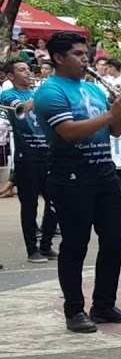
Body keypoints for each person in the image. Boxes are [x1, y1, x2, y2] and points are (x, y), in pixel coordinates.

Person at [33, 31, 121, 333]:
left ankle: (104, 305)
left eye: (86, 53)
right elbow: (69, 132)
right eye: (78, 54)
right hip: (70, 178)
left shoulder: (92, 90)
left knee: (116, 240)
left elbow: (116, 131)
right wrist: (110, 113)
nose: (86, 59)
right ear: (58, 58)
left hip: (104, 175)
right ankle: (74, 310)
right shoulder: (51, 91)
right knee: (75, 245)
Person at [2, 59, 58, 263]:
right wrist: (43, 93)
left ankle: (46, 245)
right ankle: (31, 249)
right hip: (27, 158)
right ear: (10, 76)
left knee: (56, 201)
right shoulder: (8, 95)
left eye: (28, 69)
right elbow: (22, 110)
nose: (27, 73)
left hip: (48, 155)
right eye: (21, 70)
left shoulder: (38, 93)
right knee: (30, 205)